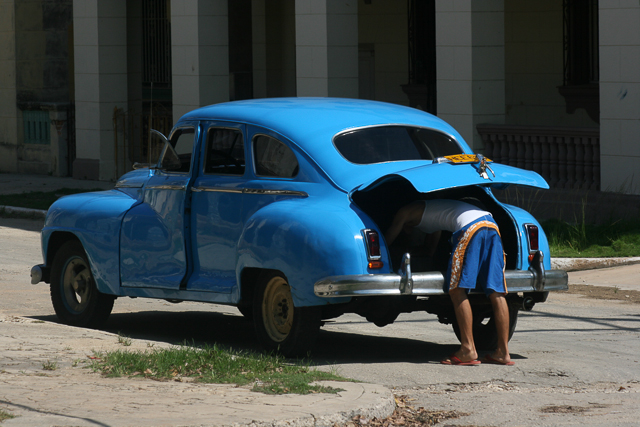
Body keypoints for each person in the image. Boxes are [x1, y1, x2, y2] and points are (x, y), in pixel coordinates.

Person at [385, 199, 514, 366]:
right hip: (490, 224)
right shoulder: (434, 214)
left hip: (471, 227)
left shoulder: (405, 210)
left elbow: (388, 238)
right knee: (496, 291)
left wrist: (384, 255)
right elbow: (430, 249)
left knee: (457, 289)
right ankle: (503, 352)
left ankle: (468, 349)